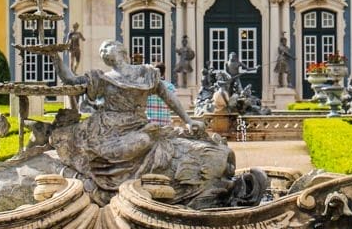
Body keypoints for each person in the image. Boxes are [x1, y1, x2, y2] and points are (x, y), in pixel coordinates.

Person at [48, 40, 234, 207]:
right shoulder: (102, 78)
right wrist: (55, 57)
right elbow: (70, 80)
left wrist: (188, 120)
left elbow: (168, 96)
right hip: (105, 128)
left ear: (122, 51)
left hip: (136, 124)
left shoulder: (146, 74)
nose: (103, 51)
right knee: (141, 141)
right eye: (101, 50)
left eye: (107, 46)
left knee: (145, 140)